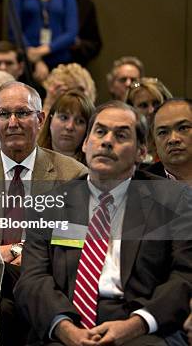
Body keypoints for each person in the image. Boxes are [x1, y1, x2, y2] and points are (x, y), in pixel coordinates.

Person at [15, 101, 192, 345]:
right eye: (100, 132)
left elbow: (184, 276)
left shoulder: (173, 200)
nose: (107, 141)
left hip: (141, 329)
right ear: (86, 143)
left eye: (121, 135)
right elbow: (33, 279)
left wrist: (136, 324)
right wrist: (66, 329)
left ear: (142, 152)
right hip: (66, 326)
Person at [0, 82, 87, 346]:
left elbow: (73, 241)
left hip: (46, 282)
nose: (13, 122)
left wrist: (14, 251)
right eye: (4, 114)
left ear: (40, 119)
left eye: (23, 113)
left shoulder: (73, 175)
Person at [38, 91, 95, 164]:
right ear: (50, 119)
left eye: (80, 121)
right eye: (64, 118)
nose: (70, 127)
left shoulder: (93, 169)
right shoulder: (29, 159)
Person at [145, 98, 192, 184]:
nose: (173, 139)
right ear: (154, 142)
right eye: (163, 132)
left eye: (183, 128)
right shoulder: (139, 186)